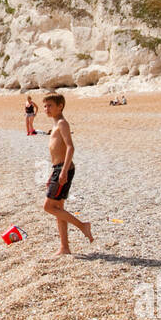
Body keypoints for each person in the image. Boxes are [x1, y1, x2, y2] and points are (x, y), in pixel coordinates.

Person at [41, 93, 94, 255]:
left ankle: (82, 226)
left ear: (60, 106)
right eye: (45, 106)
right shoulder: (56, 124)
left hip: (63, 169)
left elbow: (70, 147)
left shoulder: (62, 124)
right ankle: (64, 247)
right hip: (58, 168)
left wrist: (63, 171)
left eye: (50, 105)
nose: (46, 109)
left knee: (48, 207)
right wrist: (54, 173)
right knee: (58, 208)